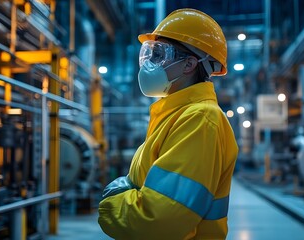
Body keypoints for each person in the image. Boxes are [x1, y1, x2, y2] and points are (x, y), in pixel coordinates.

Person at [98, 8, 239, 240]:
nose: (149, 64)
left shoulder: (199, 120)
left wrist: (113, 201)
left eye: (159, 55)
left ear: (189, 64)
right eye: (149, 55)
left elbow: (158, 221)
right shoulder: (174, 115)